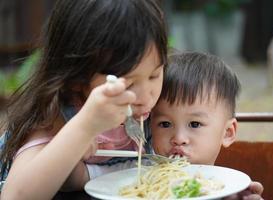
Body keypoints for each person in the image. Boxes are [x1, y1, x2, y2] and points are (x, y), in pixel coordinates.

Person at [0, 0, 167, 199]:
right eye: (128, 84)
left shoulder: (164, 99)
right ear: (76, 79)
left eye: (154, 75)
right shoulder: (57, 113)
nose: (146, 96)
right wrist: (84, 127)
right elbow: (15, 196)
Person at [150, 51, 264, 200]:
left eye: (195, 124)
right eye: (165, 124)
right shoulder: (141, 186)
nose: (179, 138)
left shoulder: (229, 190)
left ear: (227, 133)